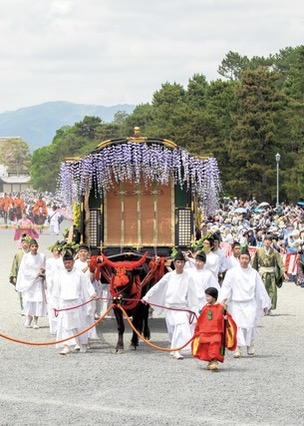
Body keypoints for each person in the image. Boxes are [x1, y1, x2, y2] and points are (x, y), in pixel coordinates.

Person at [142, 250, 198, 360]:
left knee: (180, 327)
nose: (180, 264)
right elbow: (157, 286)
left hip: (182, 308)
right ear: (174, 263)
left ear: (184, 264)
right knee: (172, 331)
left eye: (182, 262)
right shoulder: (169, 276)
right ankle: (174, 349)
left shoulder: (188, 277)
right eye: (178, 262)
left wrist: (194, 309)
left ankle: (177, 350)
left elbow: (193, 294)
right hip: (169, 307)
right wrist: (146, 297)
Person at [220, 248, 272, 358]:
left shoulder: (254, 273)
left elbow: (260, 289)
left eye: (246, 258)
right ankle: (237, 348)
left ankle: (250, 343)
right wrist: (223, 298)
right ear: (239, 259)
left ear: (249, 260)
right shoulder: (231, 272)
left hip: (250, 302)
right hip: (236, 303)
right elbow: (226, 287)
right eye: (242, 258)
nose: (244, 260)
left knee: (250, 325)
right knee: (237, 326)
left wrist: (265, 303)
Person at [52, 251, 97, 355]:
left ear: (73, 262)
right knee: (65, 326)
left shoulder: (79, 274)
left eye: (69, 262)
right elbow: (56, 291)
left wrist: (92, 293)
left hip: (77, 303)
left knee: (79, 325)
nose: (67, 265)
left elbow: (87, 286)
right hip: (64, 304)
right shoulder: (60, 275)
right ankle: (66, 346)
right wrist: (55, 305)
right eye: (65, 263)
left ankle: (83, 344)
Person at [192, 287, 237, 371]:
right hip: (205, 332)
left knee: (215, 346)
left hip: (216, 332)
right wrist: (198, 330)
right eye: (206, 296)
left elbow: (228, 319)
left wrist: (226, 319)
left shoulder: (221, 308)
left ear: (214, 296)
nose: (207, 298)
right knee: (206, 347)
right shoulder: (204, 308)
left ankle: (214, 361)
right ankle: (210, 361)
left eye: (208, 296)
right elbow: (200, 320)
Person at [252, 234, 288, 314]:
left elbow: (280, 263)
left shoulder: (274, 252)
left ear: (271, 242)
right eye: (266, 240)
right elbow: (254, 263)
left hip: (271, 273)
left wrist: (284, 273)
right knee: (261, 290)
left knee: (272, 291)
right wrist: (253, 273)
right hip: (262, 273)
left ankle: (269, 308)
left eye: (269, 241)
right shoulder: (259, 251)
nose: (267, 242)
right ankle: (262, 307)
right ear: (263, 241)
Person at [16, 239, 47, 329]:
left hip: (38, 282)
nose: (34, 248)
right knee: (28, 300)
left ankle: (36, 321)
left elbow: (45, 267)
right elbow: (23, 270)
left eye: (36, 246)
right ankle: (28, 318)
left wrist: (43, 271)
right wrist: (34, 275)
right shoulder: (26, 257)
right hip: (29, 282)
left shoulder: (42, 256)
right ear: (29, 247)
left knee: (38, 300)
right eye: (32, 246)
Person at [9, 234, 30, 315]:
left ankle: (29, 308)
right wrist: (14, 276)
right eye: (23, 243)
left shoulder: (31, 253)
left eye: (26, 243)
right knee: (21, 293)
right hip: (20, 276)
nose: (25, 244)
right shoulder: (18, 254)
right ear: (21, 244)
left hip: (29, 276)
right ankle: (23, 308)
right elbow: (14, 265)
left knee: (29, 292)